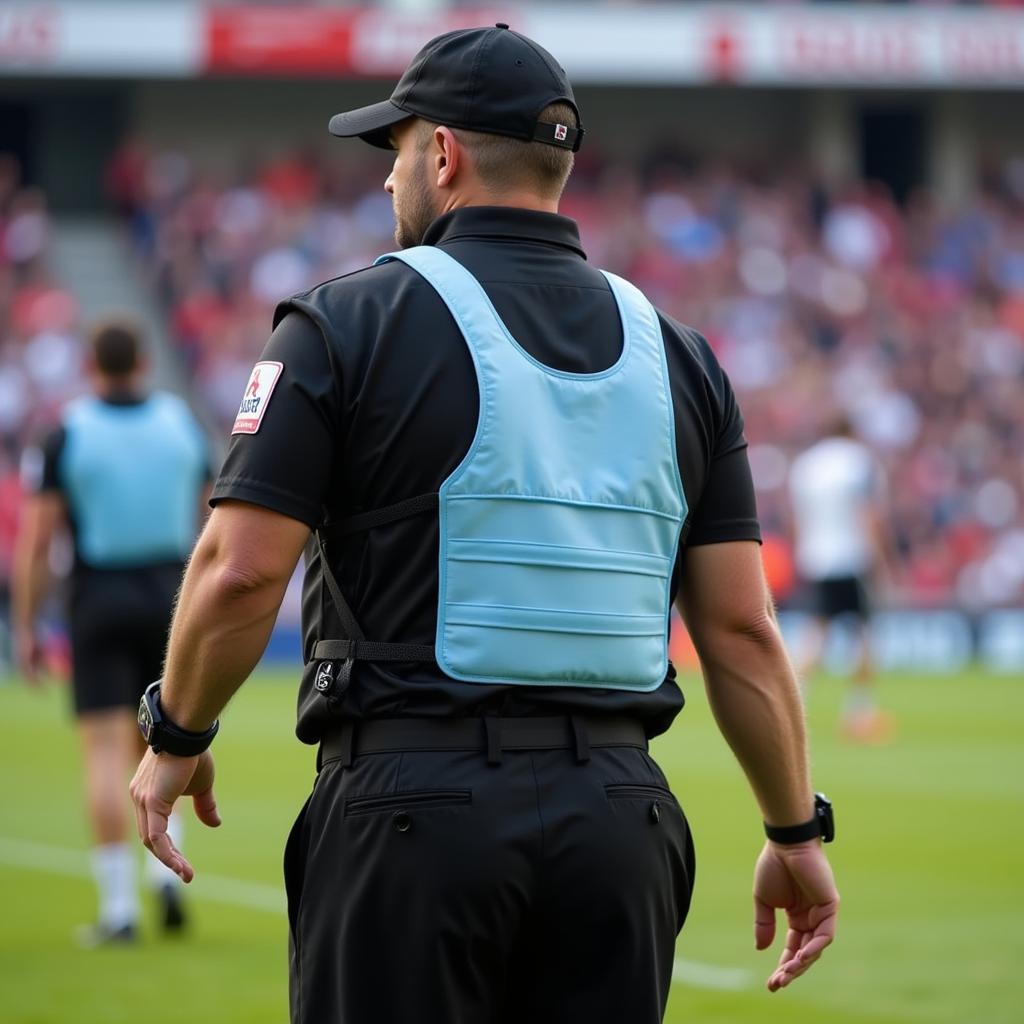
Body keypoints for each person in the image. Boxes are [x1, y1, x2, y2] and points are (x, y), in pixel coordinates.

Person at [129, 24, 839, 1023]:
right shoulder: (683, 355)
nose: (386, 181)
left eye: (396, 150)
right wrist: (794, 830)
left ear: (445, 155)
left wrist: (177, 730)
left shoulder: (343, 321)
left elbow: (241, 573)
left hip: (411, 814)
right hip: (621, 825)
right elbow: (738, 629)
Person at [13, 320, 211, 945]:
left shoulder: (67, 431)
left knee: (102, 749)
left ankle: (120, 910)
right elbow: (213, 513)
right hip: (170, 595)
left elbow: (40, 539)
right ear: (145, 360)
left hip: (98, 595)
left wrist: (25, 625)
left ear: (91, 364)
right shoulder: (180, 422)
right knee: (164, 741)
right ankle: (166, 877)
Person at [789, 412, 893, 742]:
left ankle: (794, 704)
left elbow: (797, 519)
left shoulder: (806, 466)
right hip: (852, 557)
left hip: (816, 558)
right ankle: (859, 713)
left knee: (817, 632)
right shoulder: (858, 462)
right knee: (863, 635)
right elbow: (868, 514)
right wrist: (881, 562)